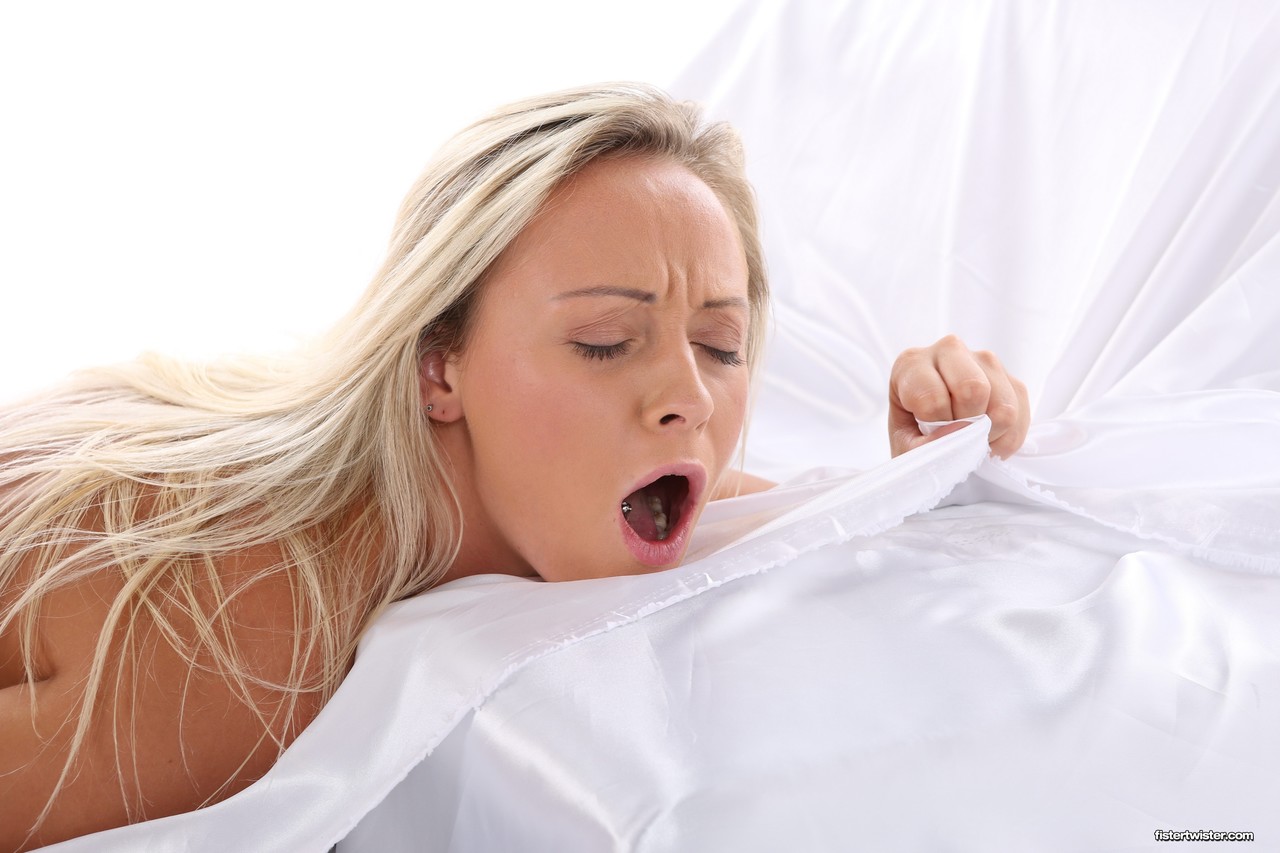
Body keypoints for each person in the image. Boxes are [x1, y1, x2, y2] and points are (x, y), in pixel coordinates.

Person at [0, 82, 1028, 849]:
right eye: (603, 344)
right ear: (438, 369)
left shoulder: (594, 473)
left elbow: (784, 514)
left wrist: (924, 454)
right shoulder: (244, 641)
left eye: (719, 345)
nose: (689, 399)